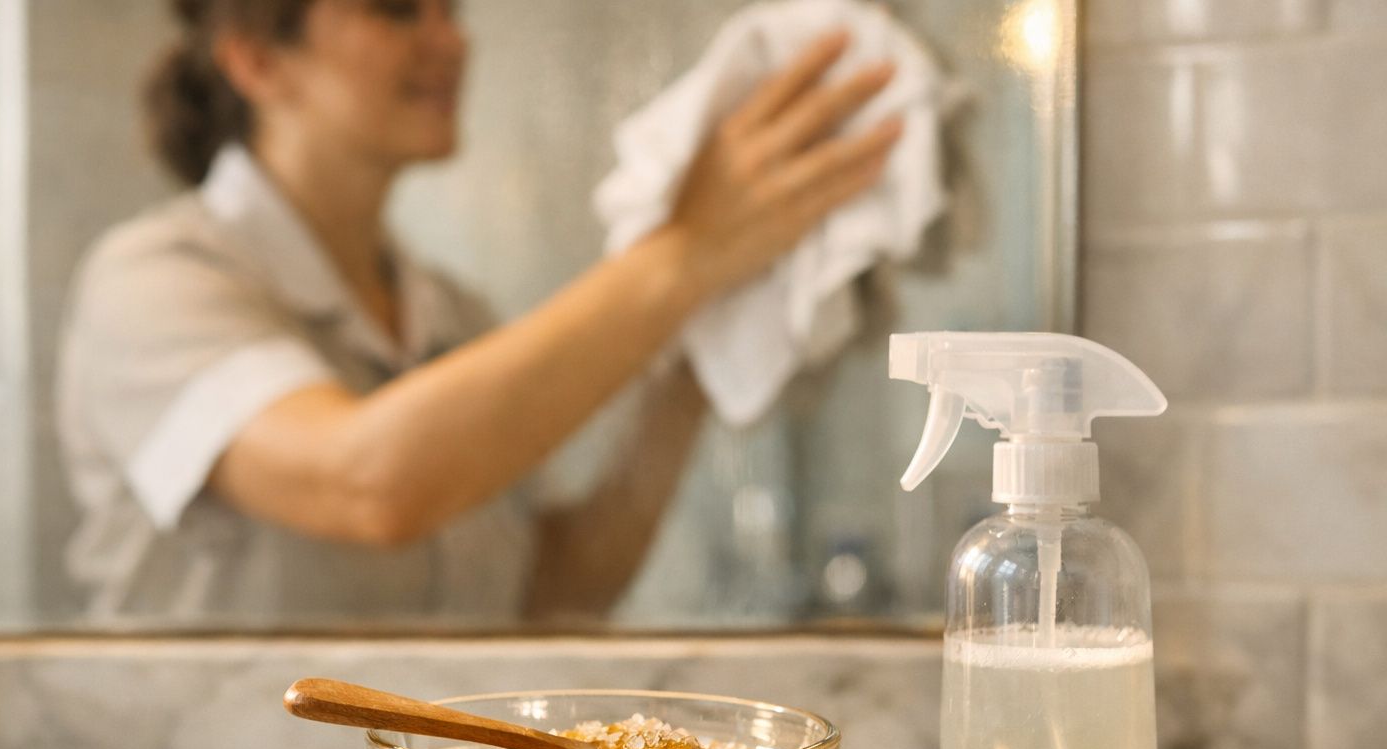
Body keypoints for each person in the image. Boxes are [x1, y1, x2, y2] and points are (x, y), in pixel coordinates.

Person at [57, 0, 903, 625]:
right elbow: (367, 485)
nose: (450, 39)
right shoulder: (155, 280)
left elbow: (554, 592)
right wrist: (685, 253)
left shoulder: (453, 314)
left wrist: (694, 362)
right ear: (257, 62)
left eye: (450, 9)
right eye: (396, 9)